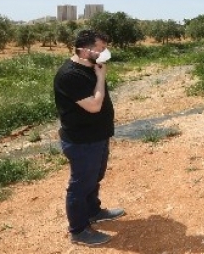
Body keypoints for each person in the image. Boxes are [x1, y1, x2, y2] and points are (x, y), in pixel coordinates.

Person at [54, 30, 125, 246]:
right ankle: (79, 230)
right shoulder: (69, 75)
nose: (104, 52)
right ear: (85, 50)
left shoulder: (91, 67)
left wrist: (99, 74)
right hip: (82, 140)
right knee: (81, 184)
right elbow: (94, 105)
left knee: (95, 176)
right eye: (100, 48)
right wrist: (102, 78)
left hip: (98, 136)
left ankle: (93, 211)